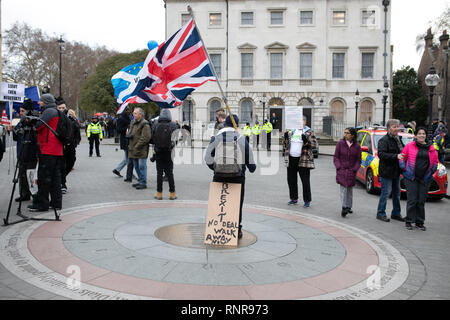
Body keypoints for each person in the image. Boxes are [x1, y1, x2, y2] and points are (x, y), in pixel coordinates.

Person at [205, 114, 256, 239]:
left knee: (219, 203)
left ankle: (217, 228)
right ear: (236, 125)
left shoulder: (216, 138)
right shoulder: (241, 138)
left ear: (225, 124)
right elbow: (252, 165)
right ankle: (236, 229)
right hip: (238, 176)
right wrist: (250, 168)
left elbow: (207, 158)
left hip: (219, 176)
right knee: (236, 204)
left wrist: (216, 168)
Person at [28, 93, 63, 212]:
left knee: (44, 178)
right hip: (57, 149)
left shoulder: (48, 112)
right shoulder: (56, 111)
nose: (39, 103)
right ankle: (56, 203)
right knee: (55, 178)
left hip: (48, 149)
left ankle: (42, 204)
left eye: (41, 101)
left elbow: (38, 126)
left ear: (46, 102)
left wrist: (31, 121)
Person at [399, 127, 439, 231]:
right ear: (416, 135)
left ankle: (419, 222)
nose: (422, 135)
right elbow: (402, 157)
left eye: (423, 134)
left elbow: (435, 161)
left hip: (425, 178)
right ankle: (409, 221)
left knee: (421, 200)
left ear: (426, 135)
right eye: (420, 133)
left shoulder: (431, 148)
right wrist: (404, 168)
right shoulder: (409, 146)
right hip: (411, 177)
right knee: (412, 200)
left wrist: (432, 171)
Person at [376, 119, 405, 222]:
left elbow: (403, 151)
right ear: (388, 128)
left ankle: (396, 213)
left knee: (397, 193)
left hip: (396, 171)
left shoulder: (398, 139)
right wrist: (396, 156)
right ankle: (380, 213)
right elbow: (381, 154)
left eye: (397, 126)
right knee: (386, 193)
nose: (396, 128)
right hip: (386, 171)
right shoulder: (383, 140)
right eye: (394, 126)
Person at [11, 100, 39, 202]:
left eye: (22, 111)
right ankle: (24, 194)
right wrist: (13, 129)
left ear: (28, 111)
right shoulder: (21, 122)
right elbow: (15, 137)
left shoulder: (35, 121)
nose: (20, 113)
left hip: (31, 154)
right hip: (21, 152)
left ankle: (35, 195)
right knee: (22, 176)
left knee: (31, 176)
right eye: (20, 111)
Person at [283, 125, 317, 207]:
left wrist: (306, 140)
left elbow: (314, 145)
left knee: (305, 181)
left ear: (304, 122)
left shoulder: (309, 132)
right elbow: (285, 145)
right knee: (291, 180)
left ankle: (307, 200)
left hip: (303, 159)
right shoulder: (291, 131)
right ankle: (294, 198)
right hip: (291, 159)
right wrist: (286, 138)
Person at [333, 127, 361, 217]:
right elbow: (336, 157)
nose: (345, 134)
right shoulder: (340, 143)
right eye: (345, 132)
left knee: (349, 189)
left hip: (351, 171)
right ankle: (344, 207)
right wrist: (338, 167)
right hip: (342, 170)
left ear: (352, 135)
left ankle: (349, 206)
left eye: (347, 133)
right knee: (343, 189)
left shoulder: (357, 146)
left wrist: (355, 169)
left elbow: (358, 159)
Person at [152, 109, 178, 200]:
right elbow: (176, 140)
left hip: (158, 151)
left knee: (159, 173)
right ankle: (172, 193)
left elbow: (152, 139)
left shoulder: (155, 124)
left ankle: (159, 193)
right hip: (169, 152)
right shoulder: (173, 125)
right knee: (170, 173)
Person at [56, 98, 81, 194]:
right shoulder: (56, 117)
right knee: (61, 165)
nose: (62, 109)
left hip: (70, 146)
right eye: (60, 108)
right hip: (60, 146)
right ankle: (62, 183)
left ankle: (62, 178)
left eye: (63, 108)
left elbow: (76, 131)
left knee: (71, 162)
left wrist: (75, 142)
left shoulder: (69, 118)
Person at [127, 107, 151, 190]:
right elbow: (131, 133)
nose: (133, 114)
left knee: (142, 167)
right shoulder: (133, 122)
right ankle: (140, 181)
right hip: (133, 149)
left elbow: (146, 137)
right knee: (136, 166)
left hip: (141, 149)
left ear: (140, 115)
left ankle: (143, 182)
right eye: (133, 113)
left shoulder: (145, 124)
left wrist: (137, 146)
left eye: (135, 113)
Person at [113, 108, 134, 181]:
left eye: (128, 110)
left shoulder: (129, 118)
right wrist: (126, 128)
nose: (128, 111)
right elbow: (118, 129)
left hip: (129, 140)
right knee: (128, 158)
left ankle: (117, 169)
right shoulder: (121, 119)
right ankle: (130, 174)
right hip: (124, 140)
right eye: (126, 110)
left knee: (126, 158)